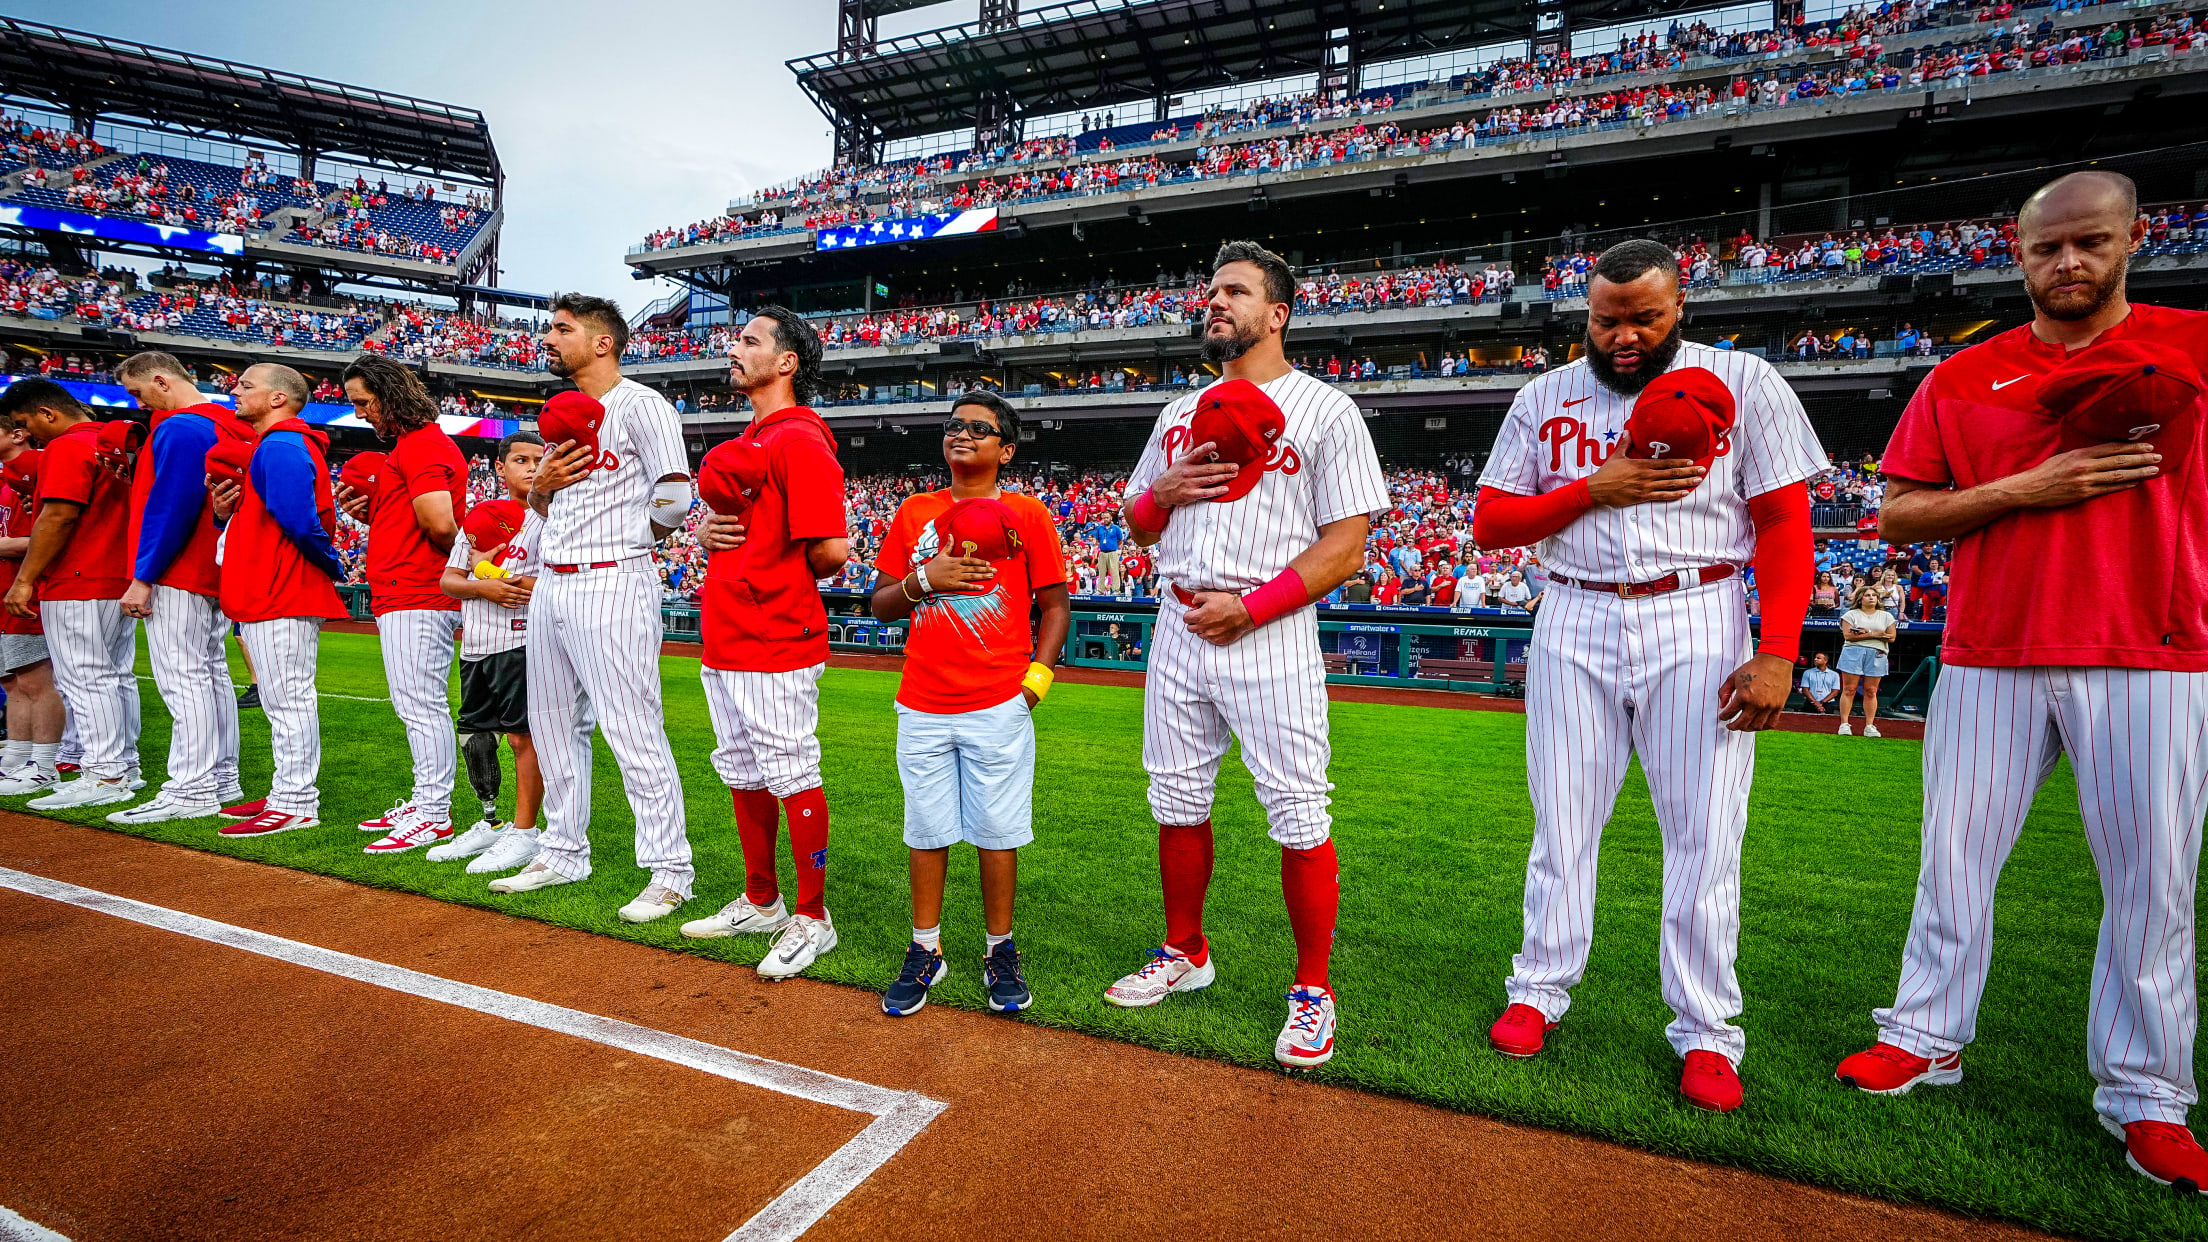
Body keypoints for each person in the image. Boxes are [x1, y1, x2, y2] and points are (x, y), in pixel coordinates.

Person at [1835, 170, 2208, 1191]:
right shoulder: (1965, 375)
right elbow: (1899, 514)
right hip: (1991, 647)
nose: (2069, 263)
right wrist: (2027, 489)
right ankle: (1925, 1034)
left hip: (2153, 649)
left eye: (2090, 242)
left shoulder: (2194, 348)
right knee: (1951, 859)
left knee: (2153, 886)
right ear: (2019, 251)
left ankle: (2146, 1094)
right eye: (2048, 248)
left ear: (2138, 236)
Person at [1472, 238, 1824, 1113]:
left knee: (1705, 834)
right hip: (1575, 609)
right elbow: (1490, 522)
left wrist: (1777, 648)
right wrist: (1596, 489)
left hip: (1698, 613)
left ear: (1680, 309)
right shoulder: (1544, 394)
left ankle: (1707, 1031)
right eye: (1606, 318)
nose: (1624, 335)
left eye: (1645, 317)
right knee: (1561, 818)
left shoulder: (1746, 383)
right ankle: (1538, 988)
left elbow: (1783, 522)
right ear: (1586, 314)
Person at [1107, 240, 1389, 1071]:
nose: (1215, 301)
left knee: (1300, 809)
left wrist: (1256, 605)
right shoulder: (1176, 414)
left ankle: (1311, 988)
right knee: (1176, 796)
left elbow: (1348, 545)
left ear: (1277, 313)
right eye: (1211, 290)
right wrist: (1157, 495)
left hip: (1269, 627)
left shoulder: (1327, 411)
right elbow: (1136, 522)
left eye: (1234, 291)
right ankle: (1185, 951)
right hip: (1180, 620)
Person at [489, 293, 697, 923]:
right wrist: (542, 491)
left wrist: (634, 543)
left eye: (561, 329)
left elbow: (675, 494)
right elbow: (544, 511)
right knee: (551, 726)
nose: (547, 339)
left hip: (613, 579)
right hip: (551, 581)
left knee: (632, 729)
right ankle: (562, 849)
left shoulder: (641, 404)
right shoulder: (558, 419)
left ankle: (669, 870)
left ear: (603, 341)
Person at [866, 391, 1070, 1015]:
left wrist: (1034, 683)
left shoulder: (1027, 514)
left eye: (979, 429)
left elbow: (1056, 606)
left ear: (1005, 450)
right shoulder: (913, 512)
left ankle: (998, 948)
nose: (961, 434)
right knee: (926, 830)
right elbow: (879, 604)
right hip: (923, 698)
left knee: (996, 832)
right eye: (954, 425)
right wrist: (927, 580)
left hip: (997, 701)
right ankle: (925, 947)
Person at [675, 308, 851, 978]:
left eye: (750, 340)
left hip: (774, 632)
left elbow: (832, 550)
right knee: (743, 768)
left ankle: (814, 917)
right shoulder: (757, 435)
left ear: (787, 362)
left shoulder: (800, 439)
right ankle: (762, 899)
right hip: (729, 631)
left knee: (790, 770)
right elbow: (737, 524)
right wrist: (705, 535)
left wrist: (765, 563)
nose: (735, 346)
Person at [206, 364, 349, 836]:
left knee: (288, 702)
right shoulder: (278, 443)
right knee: (279, 700)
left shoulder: (283, 443)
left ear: (277, 399)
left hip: (282, 589)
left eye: (247, 385)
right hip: (273, 588)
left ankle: (297, 802)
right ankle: (286, 790)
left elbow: (300, 522)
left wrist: (331, 564)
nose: (235, 390)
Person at [110, 350, 252, 822]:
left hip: (179, 569)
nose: (139, 404)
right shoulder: (230, 421)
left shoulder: (178, 427)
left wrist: (142, 577)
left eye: (139, 392)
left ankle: (191, 789)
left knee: (185, 677)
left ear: (161, 380)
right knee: (211, 674)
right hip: (218, 567)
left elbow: (169, 508)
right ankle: (222, 778)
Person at [335, 355, 463, 852]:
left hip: (418, 590)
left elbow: (440, 526)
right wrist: (378, 519)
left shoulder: (423, 445)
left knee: (420, 704)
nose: (361, 413)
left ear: (389, 395)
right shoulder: (415, 446)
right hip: (406, 588)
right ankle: (425, 799)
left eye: (364, 402)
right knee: (415, 703)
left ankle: (434, 812)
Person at [0, 378, 143, 809]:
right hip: (116, 575)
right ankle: (123, 766)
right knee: (115, 677)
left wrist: (24, 579)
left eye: (27, 423)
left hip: (78, 576)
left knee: (86, 679)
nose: (30, 434)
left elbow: (59, 515)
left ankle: (105, 774)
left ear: (48, 413)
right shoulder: (112, 440)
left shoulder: (66, 446)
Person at [426, 432, 545, 871]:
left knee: (522, 738)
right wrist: (482, 583)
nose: (531, 468)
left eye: (539, 459)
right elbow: (448, 580)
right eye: (520, 460)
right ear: (499, 468)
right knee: (476, 738)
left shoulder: (552, 519)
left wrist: (486, 571)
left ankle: (525, 831)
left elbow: (552, 585)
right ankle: (490, 824)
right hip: (477, 643)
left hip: (524, 640)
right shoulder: (481, 516)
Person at [0, 425, 66, 796]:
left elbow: (43, 535)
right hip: (6, 591)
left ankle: (42, 765)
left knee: (35, 682)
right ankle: (17, 758)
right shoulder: (10, 481)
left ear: (19, 433)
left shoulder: (35, 475)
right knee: (12, 683)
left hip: (25, 592)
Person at [1835, 585, 1895, 736]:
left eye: (1874, 595)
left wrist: (1866, 633)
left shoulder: (1886, 616)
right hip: (1853, 652)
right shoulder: (1850, 614)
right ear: (1860, 598)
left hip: (1877, 653)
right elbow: (1848, 636)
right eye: (1867, 595)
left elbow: (1891, 637)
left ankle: (1869, 725)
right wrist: (1875, 634)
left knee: (1871, 690)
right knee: (1849, 689)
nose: (1871, 598)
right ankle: (1844, 724)